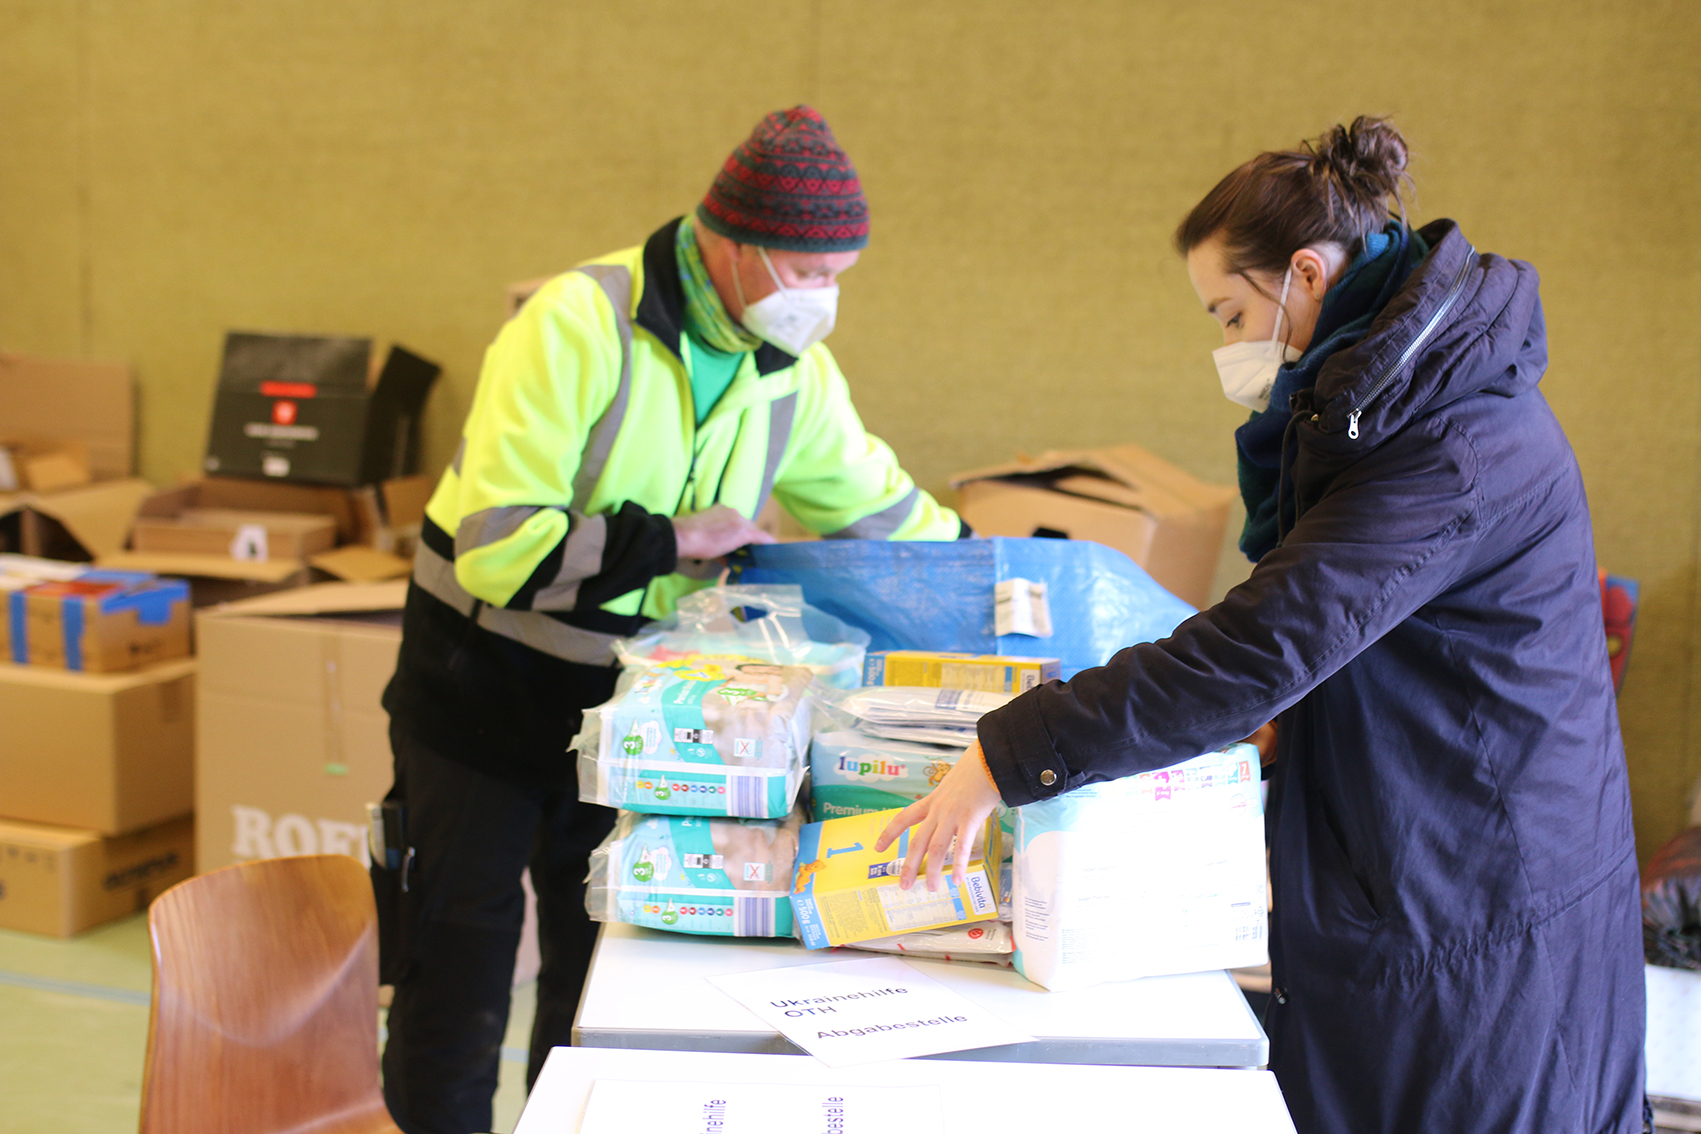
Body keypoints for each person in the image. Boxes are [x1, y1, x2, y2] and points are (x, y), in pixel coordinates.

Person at [878, 117, 1646, 1134]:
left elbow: (1265, 643)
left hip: (1482, 889)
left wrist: (1007, 756)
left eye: (1233, 313)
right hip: (1442, 844)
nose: (1230, 347)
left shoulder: (1450, 447)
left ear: (1308, 276)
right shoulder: (1409, 405)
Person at [376, 105, 965, 1134]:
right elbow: (501, 545)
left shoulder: (794, 374)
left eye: (839, 274)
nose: (822, 299)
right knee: (457, 976)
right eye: (806, 270)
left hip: (626, 723)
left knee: (595, 980)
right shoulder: (576, 322)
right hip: (479, 698)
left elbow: (882, 511)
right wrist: (673, 541)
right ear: (729, 244)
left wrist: (1000, 576)